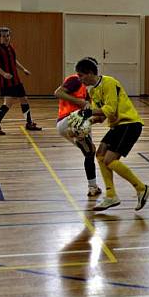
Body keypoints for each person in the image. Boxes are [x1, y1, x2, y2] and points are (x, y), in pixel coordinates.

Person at [81, 57, 149, 211]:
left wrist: (88, 112)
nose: (80, 79)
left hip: (129, 124)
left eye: (81, 75)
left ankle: (141, 188)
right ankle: (111, 196)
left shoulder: (109, 82)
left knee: (109, 160)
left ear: (90, 73)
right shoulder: (93, 90)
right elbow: (101, 117)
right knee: (100, 155)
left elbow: (110, 109)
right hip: (118, 126)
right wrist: (85, 122)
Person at [53, 59, 101, 198]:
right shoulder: (75, 80)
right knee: (90, 152)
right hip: (71, 120)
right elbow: (58, 92)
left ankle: (93, 187)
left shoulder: (90, 88)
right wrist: (80, 102)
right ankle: (92, 186)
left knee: (90, 152)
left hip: (72, 123)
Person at [0, 26, 42, 135]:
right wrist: (4, 74)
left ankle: (29, 123)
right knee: (8, 104)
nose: (6, 38)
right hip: (7, 82)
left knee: (24, 100)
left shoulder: (11, 48)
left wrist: (23, 69)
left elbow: (14, 61)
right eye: (3, 36)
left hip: (16, 81)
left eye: (8, 36)